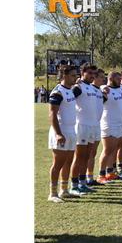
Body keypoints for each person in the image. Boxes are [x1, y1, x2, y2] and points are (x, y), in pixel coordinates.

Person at [47, 65, 79, 202]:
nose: (75, 77)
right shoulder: (57, 92)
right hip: (61, 130)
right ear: (64, 76)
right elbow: (52, 114)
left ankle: (64, 190)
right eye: (73, 75)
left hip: (71, 130)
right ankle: (53, 194)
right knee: (58, 163)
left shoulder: (70, 90)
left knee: (68, 162)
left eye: (76, 75)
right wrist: (58, 133)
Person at [69, 63, 99, 196]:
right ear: (82, 73)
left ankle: (82, 183)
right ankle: (73, 186)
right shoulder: (78, 87)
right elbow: (68, 100)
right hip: (81, 126)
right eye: (90, 73)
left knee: (87, 156)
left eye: (94, 74)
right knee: (79, 156)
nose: (92, 76)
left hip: (92, 125)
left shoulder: (92, 88)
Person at [97, 71, 122, 184]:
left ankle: (110, 173)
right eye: (118, 79)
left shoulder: (119, 89)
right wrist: (103, 91)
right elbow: (101, 93)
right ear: (111, 78)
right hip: (108, 123)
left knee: (113, 150)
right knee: (107, 150)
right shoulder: (105, 88)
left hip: (118, 123)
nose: (120, 81)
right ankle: (101, 175)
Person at [86, 69, 106, 186]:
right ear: (94, 77)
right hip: (86, 125)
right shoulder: (89, 88)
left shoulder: (100, 90)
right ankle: (81, 179)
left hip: (96, 124)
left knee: (92, 153)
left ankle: (90, 177)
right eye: (101, 77)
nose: (103, 79)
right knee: (85, 154)